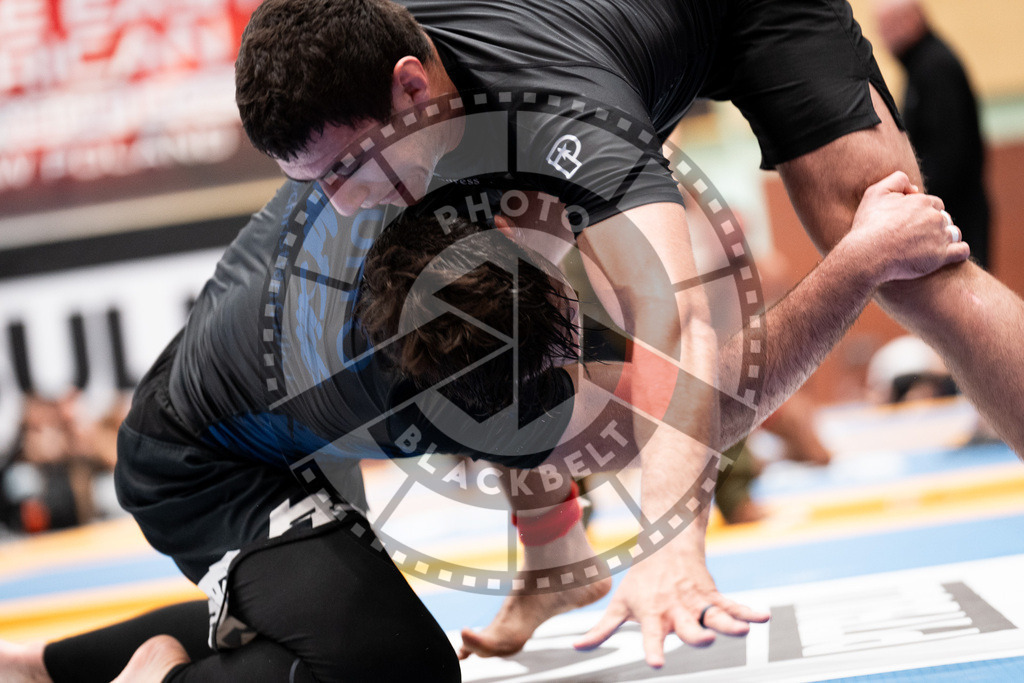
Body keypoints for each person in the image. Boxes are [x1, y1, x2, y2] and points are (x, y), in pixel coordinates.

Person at [234, 0, 1024, 666]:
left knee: (911, 259)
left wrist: (668, 547)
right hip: (608, 51)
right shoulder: (381, 67)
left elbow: (675, 328)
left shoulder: (557, 108)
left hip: (751, 15)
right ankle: (555, 554)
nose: (341, 205)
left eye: (344, 170)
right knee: (480, 311)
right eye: (314, 183)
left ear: (412, 86)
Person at [0, 160, 963, 681]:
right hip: (197, 469)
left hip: (290, 394)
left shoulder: (453, 220)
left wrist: (554, 548)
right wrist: (858, 266)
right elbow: (704, 409)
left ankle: (40, 663)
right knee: (398, 674)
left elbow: (677, 397)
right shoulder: (373, 370)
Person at [875, 0, 992, 269]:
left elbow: (949, 153)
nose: (884, 38)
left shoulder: (935, 68)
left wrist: (919, 203)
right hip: (947, 213)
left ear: (914, 19)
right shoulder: (921, 67)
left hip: (956, 215)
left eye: (890, 26)